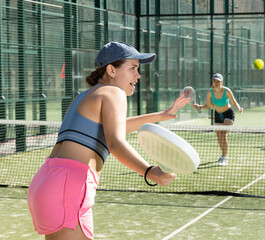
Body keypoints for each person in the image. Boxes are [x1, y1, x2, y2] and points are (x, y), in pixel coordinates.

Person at [27, 41, 190, 239]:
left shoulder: (84, 96)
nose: (138, 75)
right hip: (69, 184)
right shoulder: (115, 92)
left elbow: (110, 128)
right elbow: (114, 142)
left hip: (49, 181)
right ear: (112, 70)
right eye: (132, 68)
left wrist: (163, 115)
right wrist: (151, 172)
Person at [193, 73, 243, 166]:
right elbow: (207, 105)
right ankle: (223, 154)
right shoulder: (210, 92)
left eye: (218, 81)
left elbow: (234, 102)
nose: (216, 83)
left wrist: (239, 108)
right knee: (219, 137)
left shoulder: (227, 91)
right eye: (214, 81)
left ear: (221, 82)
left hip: (228, 113)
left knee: (223, 134)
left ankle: (224, 157)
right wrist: (199, 106)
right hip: (217, 115)